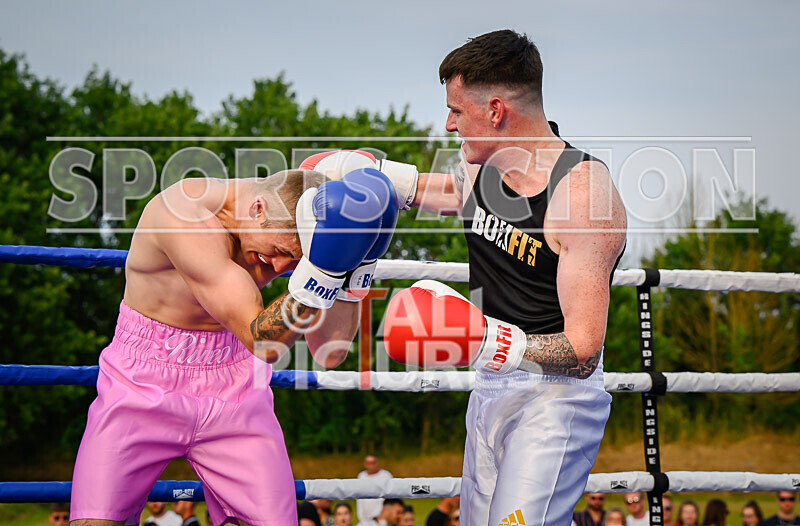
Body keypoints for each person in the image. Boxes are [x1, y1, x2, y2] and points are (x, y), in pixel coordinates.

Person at [376, 28, 626, 526]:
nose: (449, 124)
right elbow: (453, 193)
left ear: (495, 111)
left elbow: (583, 351)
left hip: (556, 397)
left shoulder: (581, 196)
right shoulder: (481, 166)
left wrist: (486, 339)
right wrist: (375, 176)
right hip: (489, 385)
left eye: (456, 110)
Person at [69, 168, 396, 526]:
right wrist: (320, 276)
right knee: (95, 520)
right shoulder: (185, 214)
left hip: (238, 383)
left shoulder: (289, 213)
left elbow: (329, 352)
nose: (281, 266)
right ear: (257, 208)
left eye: (296, 261)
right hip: (143, 379)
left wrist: (355, 267)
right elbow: (262, 339)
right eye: (280, 252)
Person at [355, 455, 394, 523]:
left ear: (377, 463)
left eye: (373, 463)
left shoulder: (386, 475)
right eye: (368, 463)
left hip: (382, 517)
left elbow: (391, 497)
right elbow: (359, 498)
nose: (371, 465)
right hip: (366, 518)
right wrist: (361, 517)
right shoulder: (361, 476)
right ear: (365, 464)